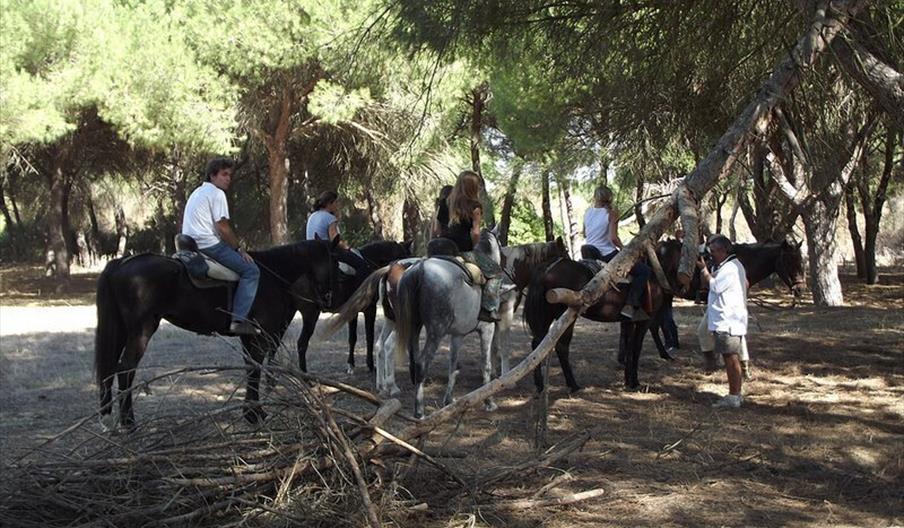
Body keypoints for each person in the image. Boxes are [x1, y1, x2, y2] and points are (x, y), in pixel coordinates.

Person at [182, 158, 261, 335]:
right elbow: (222, 227)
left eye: (229, 175)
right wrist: (238, 248)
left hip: (190, 243)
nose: (228, 179)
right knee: (251, 271)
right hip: (208, 245)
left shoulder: (197, 192)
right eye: (224, 174)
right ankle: (238, 320)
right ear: (212, 175)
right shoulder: (217, 194)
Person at [582, 184, 652, 321]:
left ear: (595, 197)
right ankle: (630, 304)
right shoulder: (612, 213)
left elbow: (585, 233)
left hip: (589, 251)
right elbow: (613, 238)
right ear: (609, 198)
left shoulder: (587, 212)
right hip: (606, 253)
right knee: (644, 271)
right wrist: (624, 248)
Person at [441, 171, 503, 322]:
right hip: (462, 252)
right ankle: (488, 309)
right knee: (496, 272)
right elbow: (476, 233)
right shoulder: (475, 207)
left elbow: (436, 230)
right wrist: (473, 246)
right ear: (473, 188)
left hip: (441, 249)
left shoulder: (444, 203)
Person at [697, 235, 748, 408]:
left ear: (724, 250)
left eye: (714, 252)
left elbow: (716, 286)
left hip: (729, 320)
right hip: (728, 319)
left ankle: (734, 396)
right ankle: (735, 393)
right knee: (730, 358)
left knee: (730, 358)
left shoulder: (730, 268)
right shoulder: (730, 265)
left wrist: (704, 270)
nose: (712, 255)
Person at [305, 190, 367, 277]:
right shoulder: (330, 218)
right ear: (329, 204)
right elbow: (334, 240)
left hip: (311, 253)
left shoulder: (312, 216)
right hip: (326, 252)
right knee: (362, 265)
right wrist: (347, 246)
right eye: (335, 203)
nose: (337, 205)